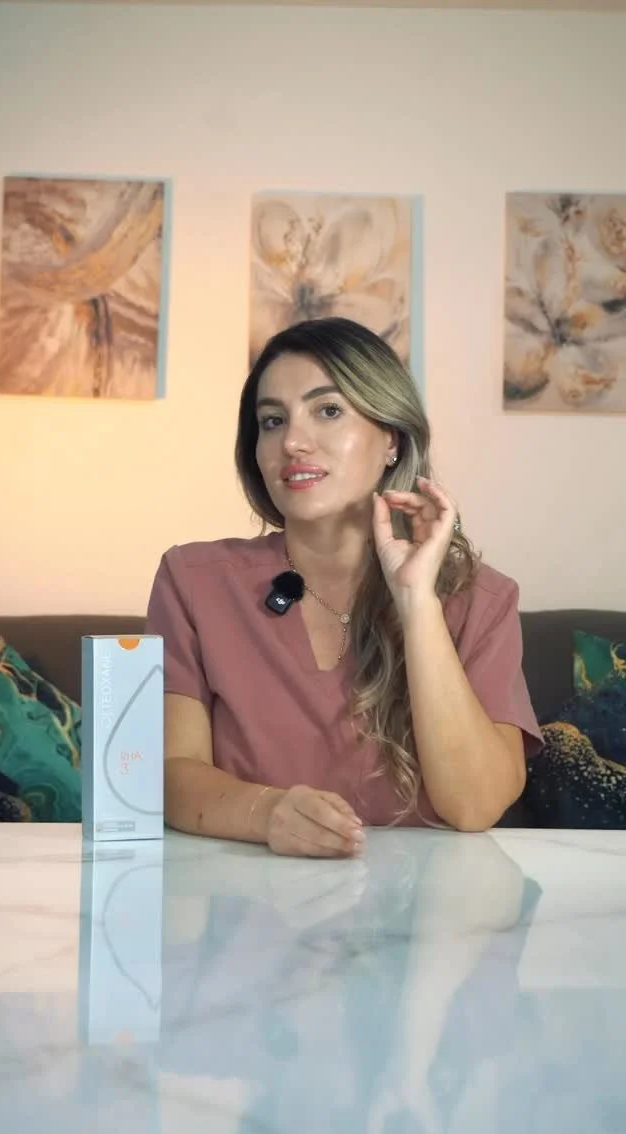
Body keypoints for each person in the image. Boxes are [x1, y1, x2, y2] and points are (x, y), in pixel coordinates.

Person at [145, 317, 542, 857]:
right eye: (271, 421)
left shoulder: (482, 601)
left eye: (328, 411)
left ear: (391, 439)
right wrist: (266, 812)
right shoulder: (194, 581)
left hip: (426, 902)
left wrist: (417, 603)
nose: (293, 442)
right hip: (244, 893)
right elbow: (170, 772)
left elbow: (476, 806)